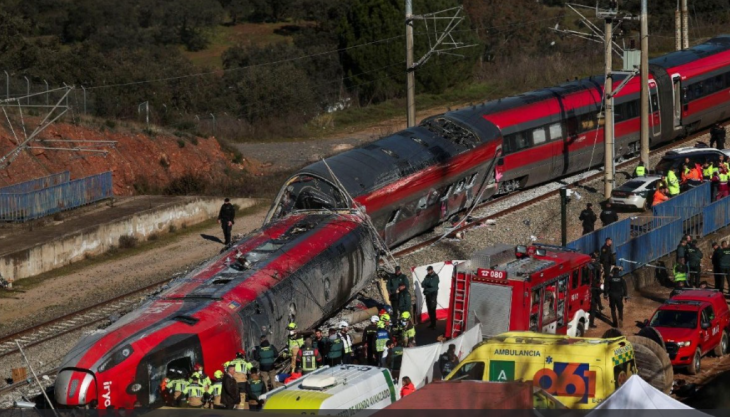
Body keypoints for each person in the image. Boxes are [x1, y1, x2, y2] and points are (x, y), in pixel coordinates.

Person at [589, 255, 603, 329]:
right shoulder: (594, 267)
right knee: (593, 309)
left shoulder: (590, 266)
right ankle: (591, 323)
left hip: (592, 290)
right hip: (593, 294)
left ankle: (600, 307)